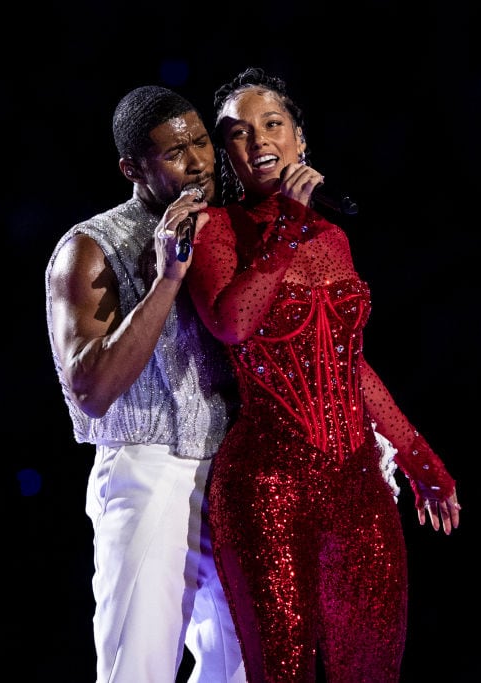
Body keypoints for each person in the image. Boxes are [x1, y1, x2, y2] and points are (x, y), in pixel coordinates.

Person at [185, 66, 462, 682]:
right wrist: (283, 226)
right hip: (267, 488)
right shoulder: (217, 230)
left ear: (300, 140)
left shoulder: (335, 236)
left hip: (359, 488)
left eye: (272, 125)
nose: (258, 141)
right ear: (226, 153)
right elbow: (233, 324)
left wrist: (419, 458)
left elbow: (350, 363)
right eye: (237, 133)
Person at [44, 84, 246, 683]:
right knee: (139, 669)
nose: (201, 163)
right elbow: (92, 391)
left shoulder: (230, 228)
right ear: (133, 168)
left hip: (233, 470)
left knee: (241, 666)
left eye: (203, 142)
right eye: (176, 153)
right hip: (148, 471)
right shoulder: (89, 248)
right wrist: (166, 280)